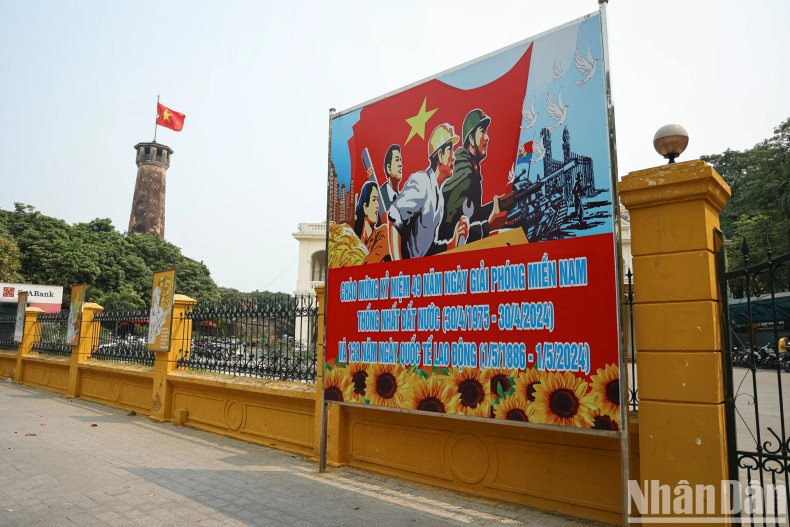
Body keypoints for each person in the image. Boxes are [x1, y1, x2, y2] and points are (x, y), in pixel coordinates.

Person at [388, 123, 467, 260]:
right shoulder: (421, 182)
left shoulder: (439, 199)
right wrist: (397, 269)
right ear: (440, 155)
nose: (454, 157)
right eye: (450, 150)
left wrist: (454, 242)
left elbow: (428, 248)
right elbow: (394, 219)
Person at [439, 109, 504, 246]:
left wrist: (499, 206)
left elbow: (471, 215)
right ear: (471, 137)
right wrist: (490, 224)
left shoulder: (470, 168)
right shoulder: (464, 173)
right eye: (483, 131)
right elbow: (453, 230)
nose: (487, 137)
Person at [353, 181, 391, 264]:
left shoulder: (383, 232)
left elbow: (373, 260)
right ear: (365, 207)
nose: (377, 205)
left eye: (378, 200)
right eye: (374, 200)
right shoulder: (354, 240)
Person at [379, 144, 402, 212]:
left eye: (400, 160)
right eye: (397, 160)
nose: (400, 164)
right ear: (389, 168)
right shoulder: (379, 196)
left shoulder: (402, 198)